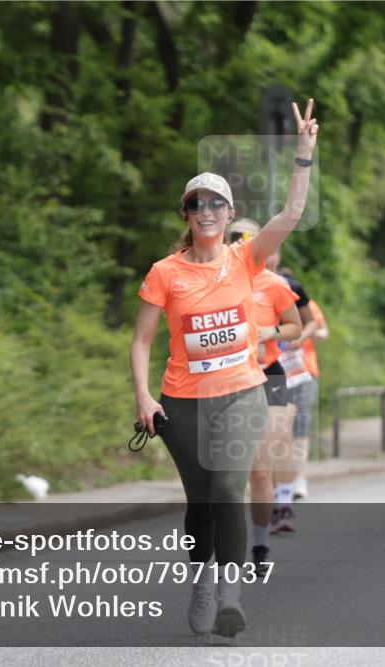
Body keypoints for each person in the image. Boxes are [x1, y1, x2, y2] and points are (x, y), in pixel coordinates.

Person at [130, 98, 318, 637]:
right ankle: (202, 582)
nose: (207, 211)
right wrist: (144, 397)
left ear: (229, 214)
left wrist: (303, 155)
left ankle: (230, 596)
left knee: (230, 489)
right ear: (187, 215)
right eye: (197, 204)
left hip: (242, 392)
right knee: (201, 503)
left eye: (217, 203)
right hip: (183, 401)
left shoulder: (245, 259)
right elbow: (141, 339)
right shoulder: (164, 273)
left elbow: (291, 215)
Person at [226, 218, 302, 576]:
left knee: (259, 469)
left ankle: (259, 544)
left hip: (268, 377)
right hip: (226, 380)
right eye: (235, 238)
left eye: (247, 239)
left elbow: (295, 326)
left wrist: (271, 331)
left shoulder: (273, 283)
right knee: (227, 474)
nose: (240, 244)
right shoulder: (214, 282)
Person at [277, 285, 327, 501]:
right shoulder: (268, 302)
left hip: (305, 371)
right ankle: (281, 480)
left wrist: (304, 336)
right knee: (279, 427)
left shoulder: (308, 306)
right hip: (277, 373)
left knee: (300, 424)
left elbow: (323, 331)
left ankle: (300, 478)